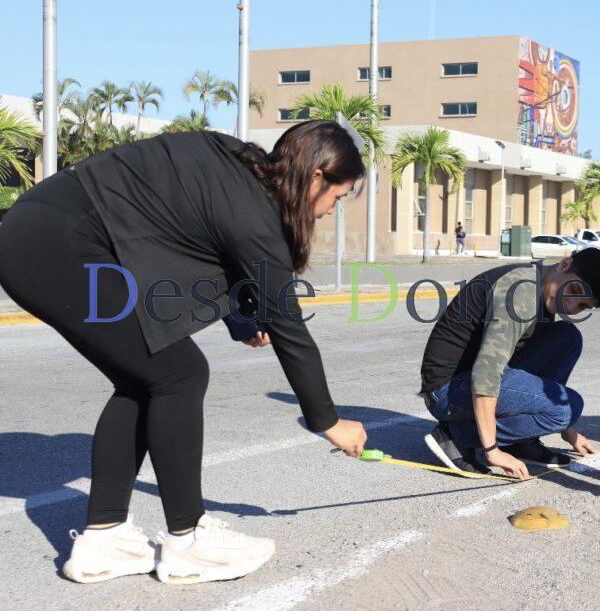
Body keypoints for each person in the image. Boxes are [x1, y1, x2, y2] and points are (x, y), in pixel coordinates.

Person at [0, 121, 369, 584]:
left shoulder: (239, 168)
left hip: (40, 233)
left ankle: (104, 537)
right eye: (338, 197)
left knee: (145, 376)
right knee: (180, 373)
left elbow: (205, 238)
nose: (331, 211)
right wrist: (328, 420)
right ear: (316, 177)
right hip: (58, 243)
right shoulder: (253, 211)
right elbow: (288, 325)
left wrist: (241, 319)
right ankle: (187, 539)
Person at [419, 250, 600, 479]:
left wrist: (569, 432)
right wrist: (491, 451)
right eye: (574, 291)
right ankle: (457, 437)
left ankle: (519, 442)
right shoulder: (522, 291)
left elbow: (542, 383)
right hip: (447, 390)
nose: (571, 306)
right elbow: (487, 371)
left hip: (468, 380)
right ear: (564, 264)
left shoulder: (545, 288)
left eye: (583, 306)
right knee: (567, 408)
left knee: (567, 338)